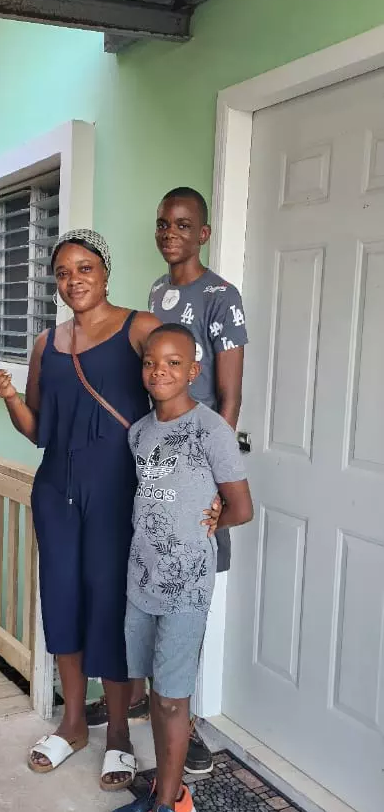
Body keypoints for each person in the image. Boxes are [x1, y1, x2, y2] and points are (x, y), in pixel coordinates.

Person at [0, 229, 163, 790]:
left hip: (118, 490)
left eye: (84, 268)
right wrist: (10, 397)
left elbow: (176, 405)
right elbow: (38, 430)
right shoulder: (46, 343)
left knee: (109, 602)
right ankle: (71, 723)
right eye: (63, 272)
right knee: (61, 598)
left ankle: (116, 732)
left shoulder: (141, 329)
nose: (73, 280)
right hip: (56, 487)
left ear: (105, 273)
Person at [108, 324, 253, 812]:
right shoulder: (140, 433)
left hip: (187, 586)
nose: (160, 372)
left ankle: (169, 809)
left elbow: (241, 507)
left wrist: (215, 518)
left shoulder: (210, 430)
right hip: (140, 580)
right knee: (151, 693)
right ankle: (161, 796)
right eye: (151, 363)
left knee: (172, 699)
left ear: (193, 371)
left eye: (174, 363)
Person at [145, 185, 248, 774]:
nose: (170, 233)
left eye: (183, 225)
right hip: (159, 463)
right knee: (159, 579)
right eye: (163, 224)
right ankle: (164, 708)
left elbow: (229, 397)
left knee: (195, 586)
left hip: (199, 471)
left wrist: (213, 475)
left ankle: (193, 722)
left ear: (202, 234)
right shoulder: (159, 292)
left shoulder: (221, 297)